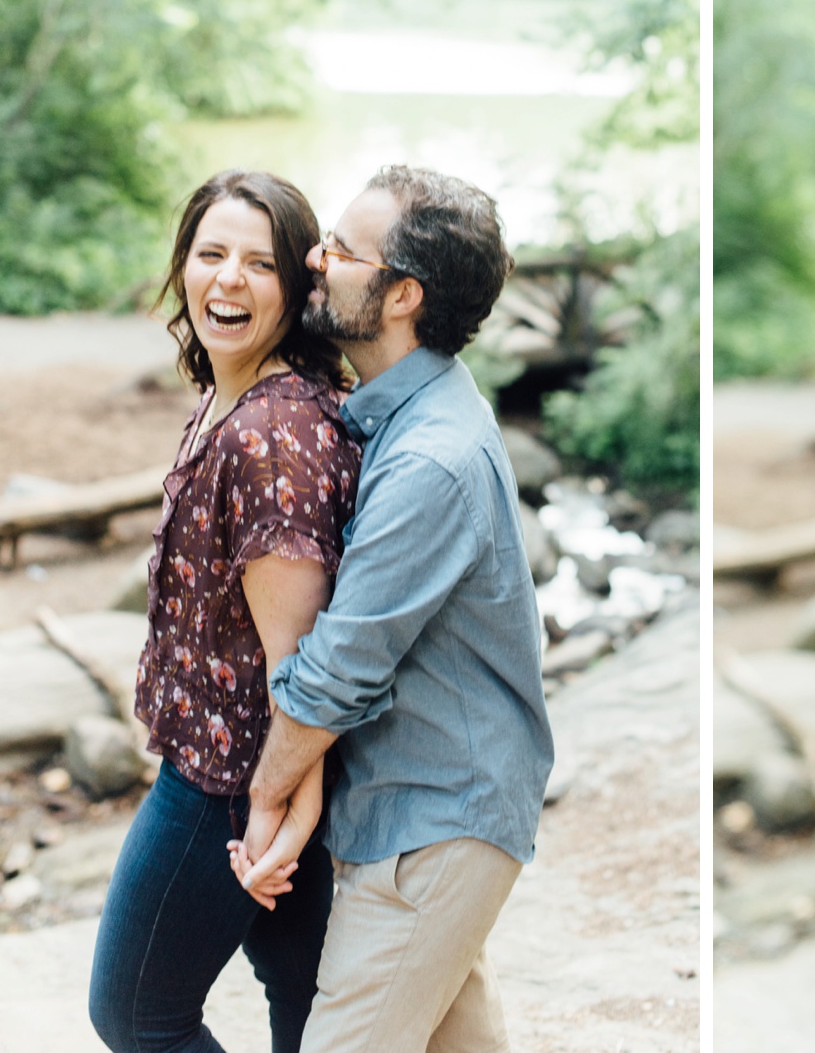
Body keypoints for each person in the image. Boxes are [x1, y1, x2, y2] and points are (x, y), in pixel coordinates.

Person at [227, 165, 554, 1053]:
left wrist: (266, 800)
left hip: (436, 822)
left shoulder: (430, 459)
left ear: (402, 293)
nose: (313, 259)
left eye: (339, 249)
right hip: (428, 810)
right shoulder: (410, 415)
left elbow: (339, 668)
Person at [89, 169, 361, 1052]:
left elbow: (300, 659)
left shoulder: (270, 434)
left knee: (136, 1014)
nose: (227, 280)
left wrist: (282, 806)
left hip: (230, 783)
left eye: (259, 262)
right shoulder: (230, 394)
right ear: (183, 266)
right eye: (210, 254)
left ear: (298, 287)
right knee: (304, 1001)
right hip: (249, 770)